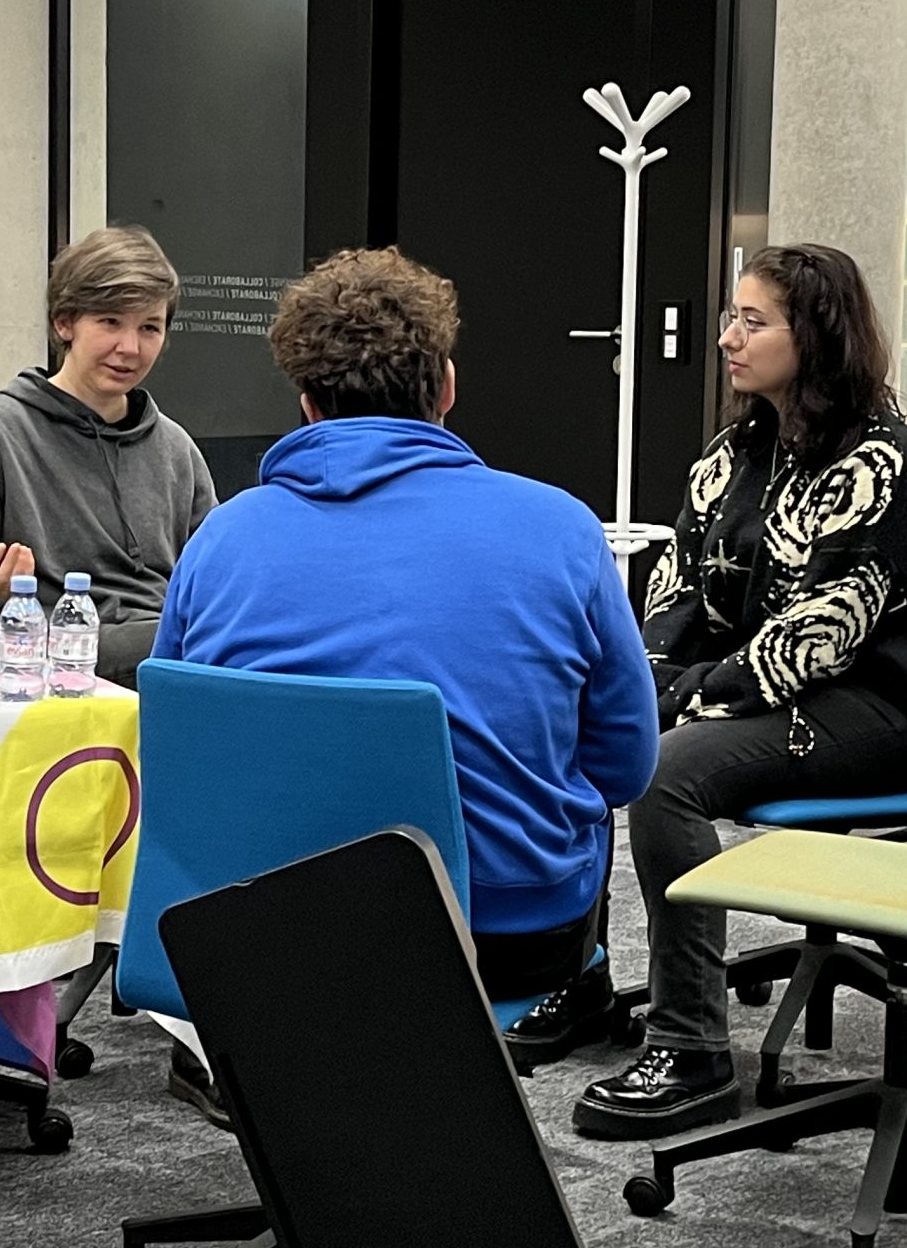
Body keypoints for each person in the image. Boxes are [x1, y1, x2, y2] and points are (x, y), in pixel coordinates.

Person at [153, 247, 660, 1122]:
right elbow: (626, 766)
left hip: (262, 930)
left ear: (307, 403)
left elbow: (184, 756)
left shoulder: (222, 540)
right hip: (503, 935)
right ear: (447, 386)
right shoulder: (560, 528)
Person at [571, 244, 907, 1142]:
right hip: (764, 689)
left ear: (816, 338)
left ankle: (693, 1049)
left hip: (879, 708)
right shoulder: (740, 448)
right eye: (732, 318)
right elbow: (679, 586)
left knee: (665, 773)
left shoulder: (882, 463)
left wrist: (690, 697)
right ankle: (581, 979)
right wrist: (647, 680)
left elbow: (820, 640)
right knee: (599, 726)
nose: (727, 339)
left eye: (753, 323)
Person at [0, 226, 215, 688]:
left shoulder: (176, 449)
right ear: (64, 323)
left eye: (149, 328)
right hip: (48, 663)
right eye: (110, 322)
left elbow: (214, 582)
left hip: (169, 659)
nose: (130, 348)